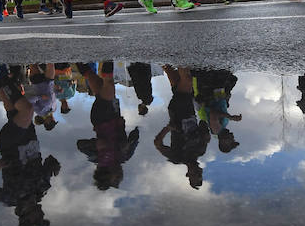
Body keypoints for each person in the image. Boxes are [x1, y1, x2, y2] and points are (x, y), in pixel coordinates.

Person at [0, 63, 59, 226]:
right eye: (42, 217)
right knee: (6, 98)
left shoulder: (9, 198)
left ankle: (0, 73)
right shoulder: (42, 189)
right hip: (30, 139)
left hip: (10, 144)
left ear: (24, 216)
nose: (41, 214)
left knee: (27, 109)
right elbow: (49, 161)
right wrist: (54, 166)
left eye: (38, 218)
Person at [76, 61, 140, 190]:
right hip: (114, 115)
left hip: (102, 119)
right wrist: (128, 143)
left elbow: (80, 144)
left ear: (109, 175)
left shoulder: (96, 158)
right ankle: (77, 58)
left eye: (117, 178)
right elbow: (136, 135)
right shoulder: (124, 156)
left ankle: (108, 55)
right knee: (95, 81)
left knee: (108, 84)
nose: (121, 175)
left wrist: (98, 144)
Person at [154, 66, 210, 189]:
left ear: (188, 174)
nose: (197, 171)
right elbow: (203, 125)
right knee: (175, 78)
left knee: (187, 80)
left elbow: (158, 143)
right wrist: (205, 134)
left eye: (194, 174)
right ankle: (164, 57)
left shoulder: (177, 157)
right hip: (189, 109)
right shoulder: (201, 150)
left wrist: (168, 128)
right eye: (199, 173)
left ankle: (180, 55)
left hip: (177, 112)